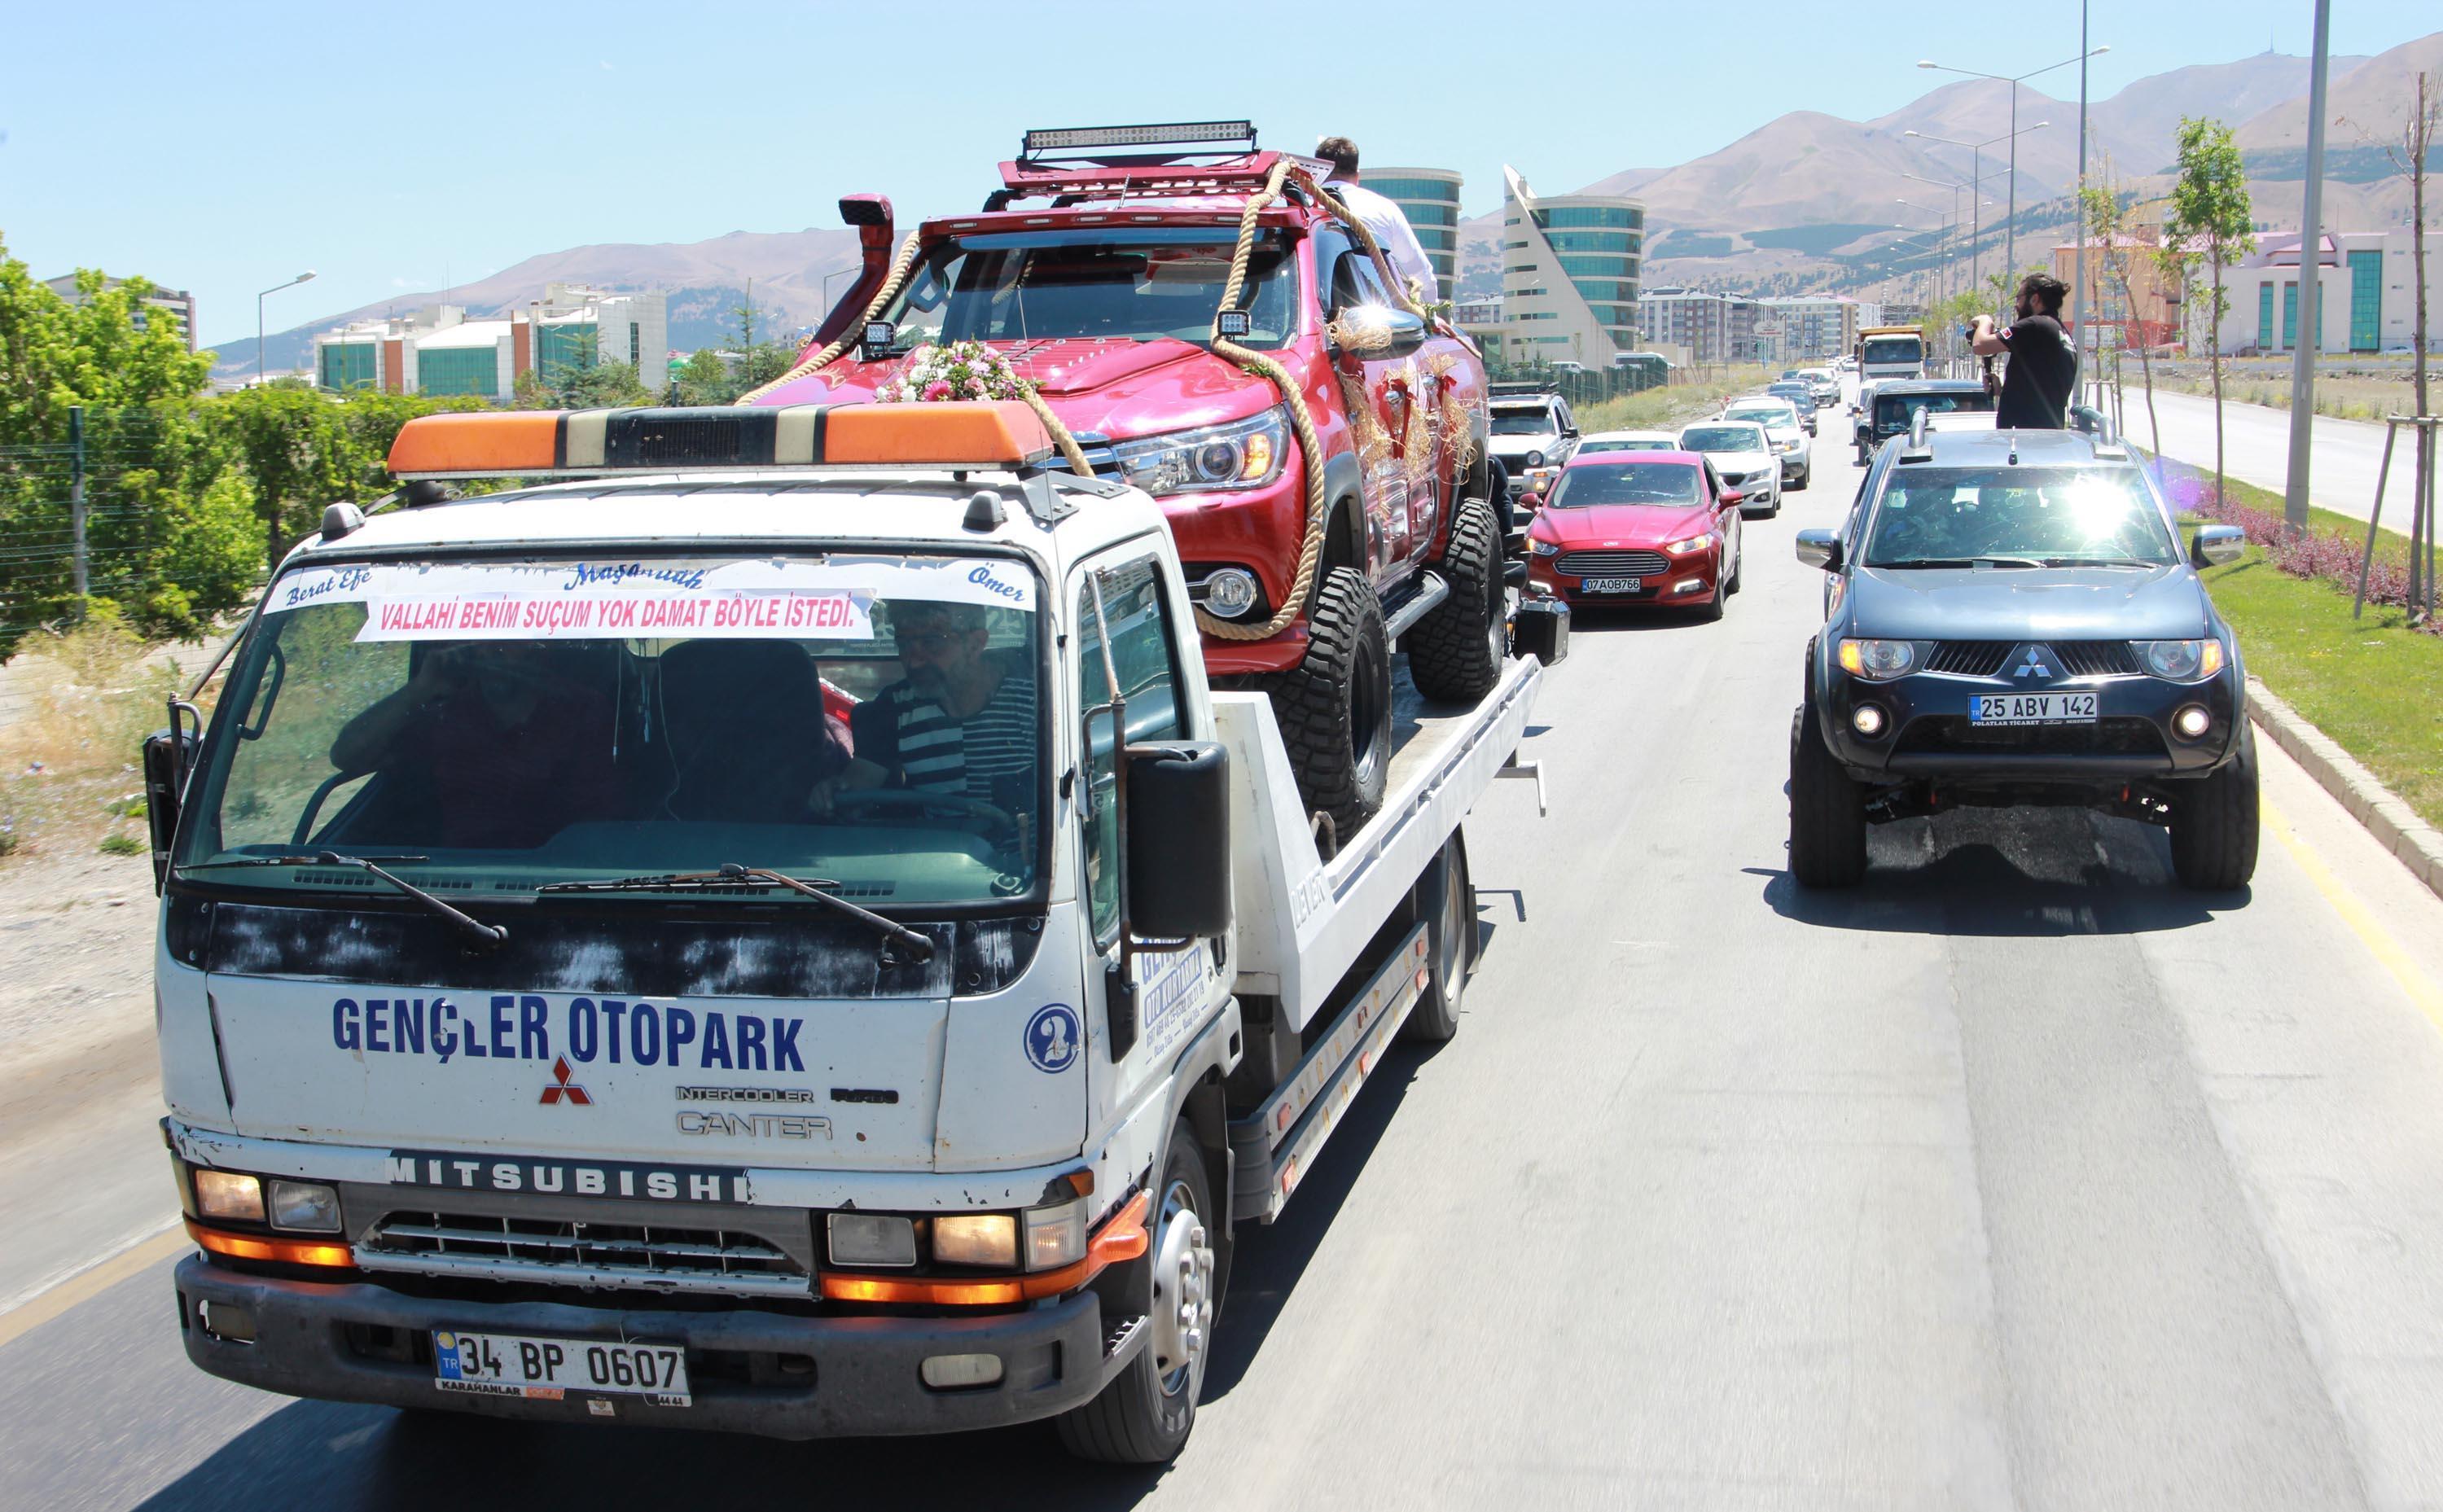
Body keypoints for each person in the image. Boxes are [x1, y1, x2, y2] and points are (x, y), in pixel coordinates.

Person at [329, 641, 617, 848]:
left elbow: (602, 819)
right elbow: (347, 756)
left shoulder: (582, 711)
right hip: (452, 881)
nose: (491, 650)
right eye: (480, 641)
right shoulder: (445, 714)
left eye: (506, 640)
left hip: (557, 880)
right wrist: (419, 689)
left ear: (539, 647)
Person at [818, 600, 1035, 813]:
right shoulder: (895, 707)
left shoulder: (1034, 699)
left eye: (931, 643)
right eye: (904, 644)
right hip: (939, 839)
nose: (913, 662)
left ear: (975, 644)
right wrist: (833, 793)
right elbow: (859, 786)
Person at [1314, 135, 1441, 309]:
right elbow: (1420, 273)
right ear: (1357, 176)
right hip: (1378, 316)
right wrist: (1431, 317)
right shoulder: (1384, 209)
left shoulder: (1297, 208)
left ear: (1317, 173)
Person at [1971, 272, 2077, 429]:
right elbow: (2044, 389)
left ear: (2034, 299)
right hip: (2047, 432)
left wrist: (1985, 322)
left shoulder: (2035, 325)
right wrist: (2003, 390)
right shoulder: (2062, 334)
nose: (2016, 305)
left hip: (2025, 436)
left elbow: (1980, 345)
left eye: (2018, 298)